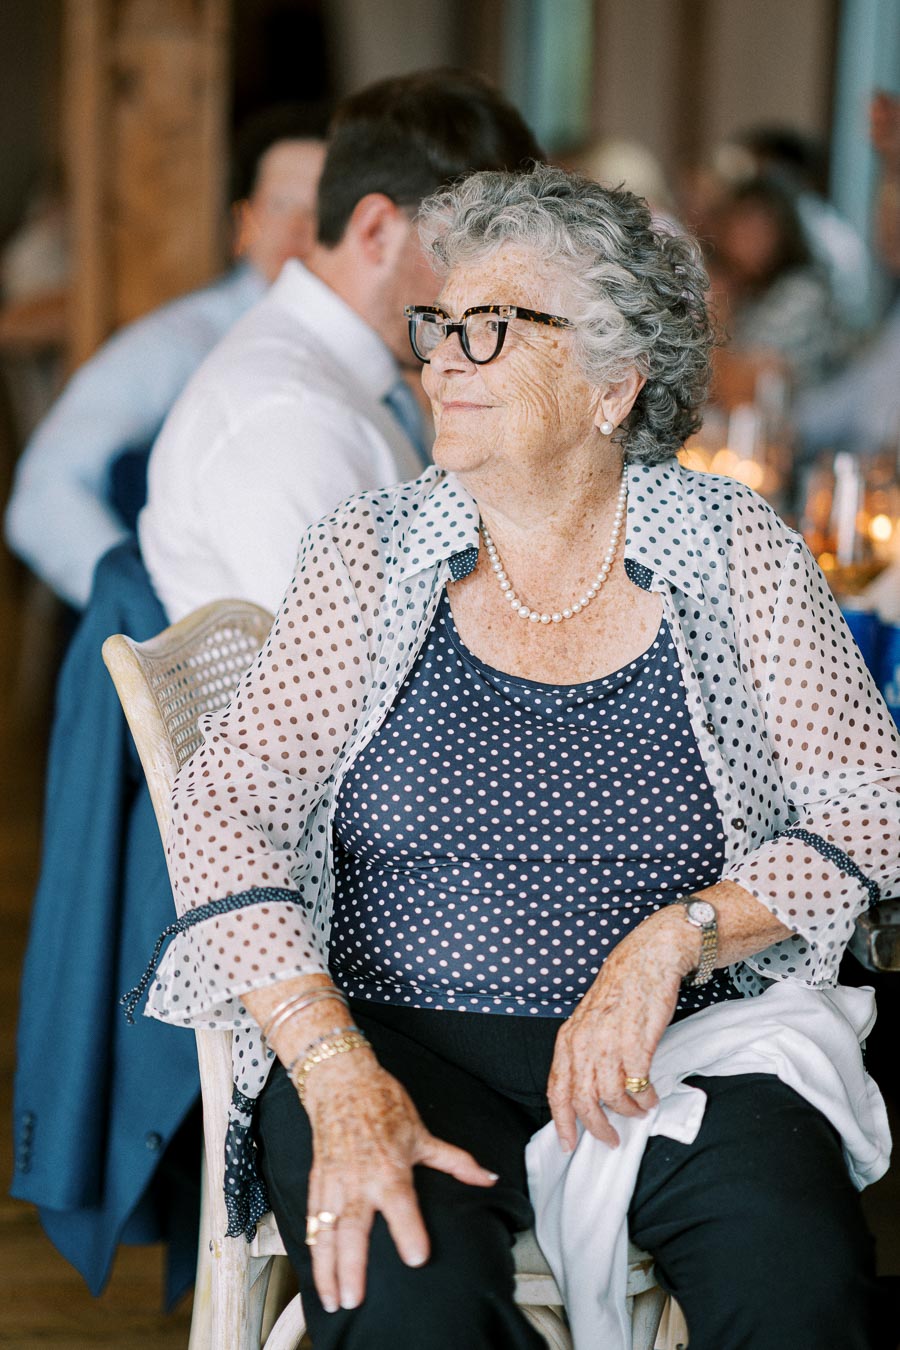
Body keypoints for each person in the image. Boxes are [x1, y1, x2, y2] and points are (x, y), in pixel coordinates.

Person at [133, 165, 899, 1349]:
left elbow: (874, 802)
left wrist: (676, 938)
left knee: (795, 1283)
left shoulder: (735, 547)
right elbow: (225, 813)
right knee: (409, 1300)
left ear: (612, 385)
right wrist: (331, 1066)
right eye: (437, 326)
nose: (441, 362)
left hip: (681, 1047)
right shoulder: (370, 554)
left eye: (488, 330)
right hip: (388, 1041)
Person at [137, 69, 542, 620]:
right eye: (472, 248)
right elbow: (359, 662)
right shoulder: (289, 416)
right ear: (376, 230)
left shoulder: (358, 381)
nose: (493, 285)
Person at [4, 106, 328, 608]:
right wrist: (150, 611)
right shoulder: (180, 340)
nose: (298, 231)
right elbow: (44, 495)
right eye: (281, 205)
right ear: (244, 221)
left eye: (322, 209)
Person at [707, 174, 850, 394]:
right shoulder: (747, 290)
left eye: (760, 226)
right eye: (741, 223)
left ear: (784, 231)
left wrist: (718, 313)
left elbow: (750, 379)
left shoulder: (804, 291)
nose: (746, 237)